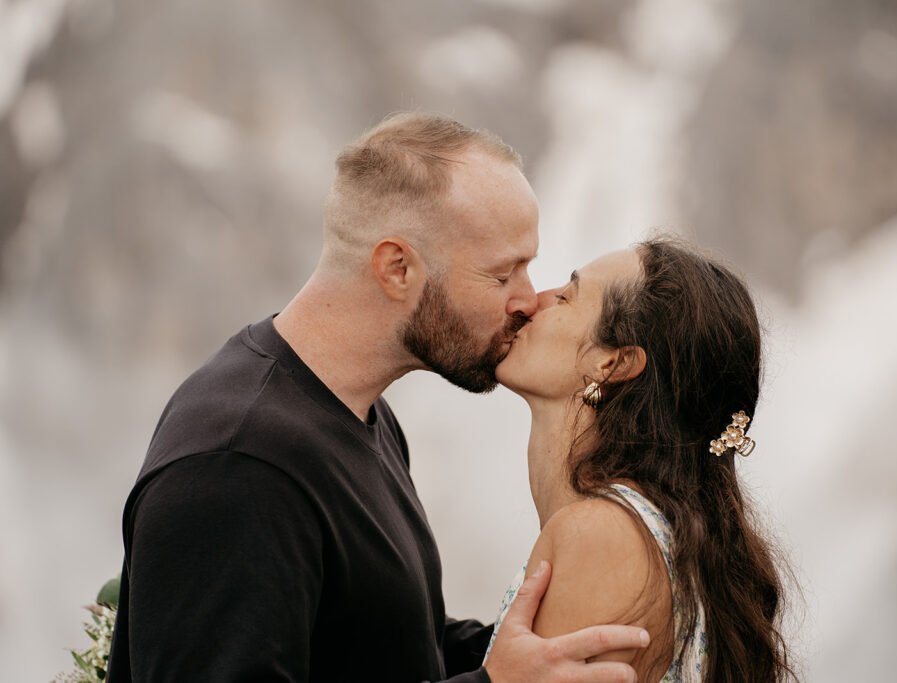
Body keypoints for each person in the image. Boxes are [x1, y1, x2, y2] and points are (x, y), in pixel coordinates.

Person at [106, 113, 650, 683]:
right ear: (397, 268)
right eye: (502, 274)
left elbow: (387, 640)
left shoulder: (360, 411)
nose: (527, 300)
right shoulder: (235, 467)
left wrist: (545, 646)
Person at [486, 239, 799, 682]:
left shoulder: (599, 535)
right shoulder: (649, 533)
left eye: (566, 296)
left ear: (612, 363)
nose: (533, 301)